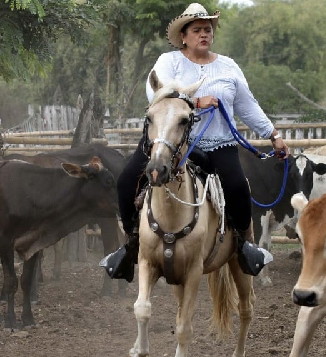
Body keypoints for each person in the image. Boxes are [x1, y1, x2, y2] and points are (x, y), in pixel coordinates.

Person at [101, 2, 290, 282]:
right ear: (184, 36)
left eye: (208, 29)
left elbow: (247, 105)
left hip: (218, 143)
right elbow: (155, 92)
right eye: (197, 29)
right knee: (127, 181)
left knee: (238, 187)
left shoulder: (228, 66)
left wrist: (273, 135)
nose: (204, 34)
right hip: (169, 140)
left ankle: (243, 246)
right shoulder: (168, 62)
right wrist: (193, 102)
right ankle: (130, 246)